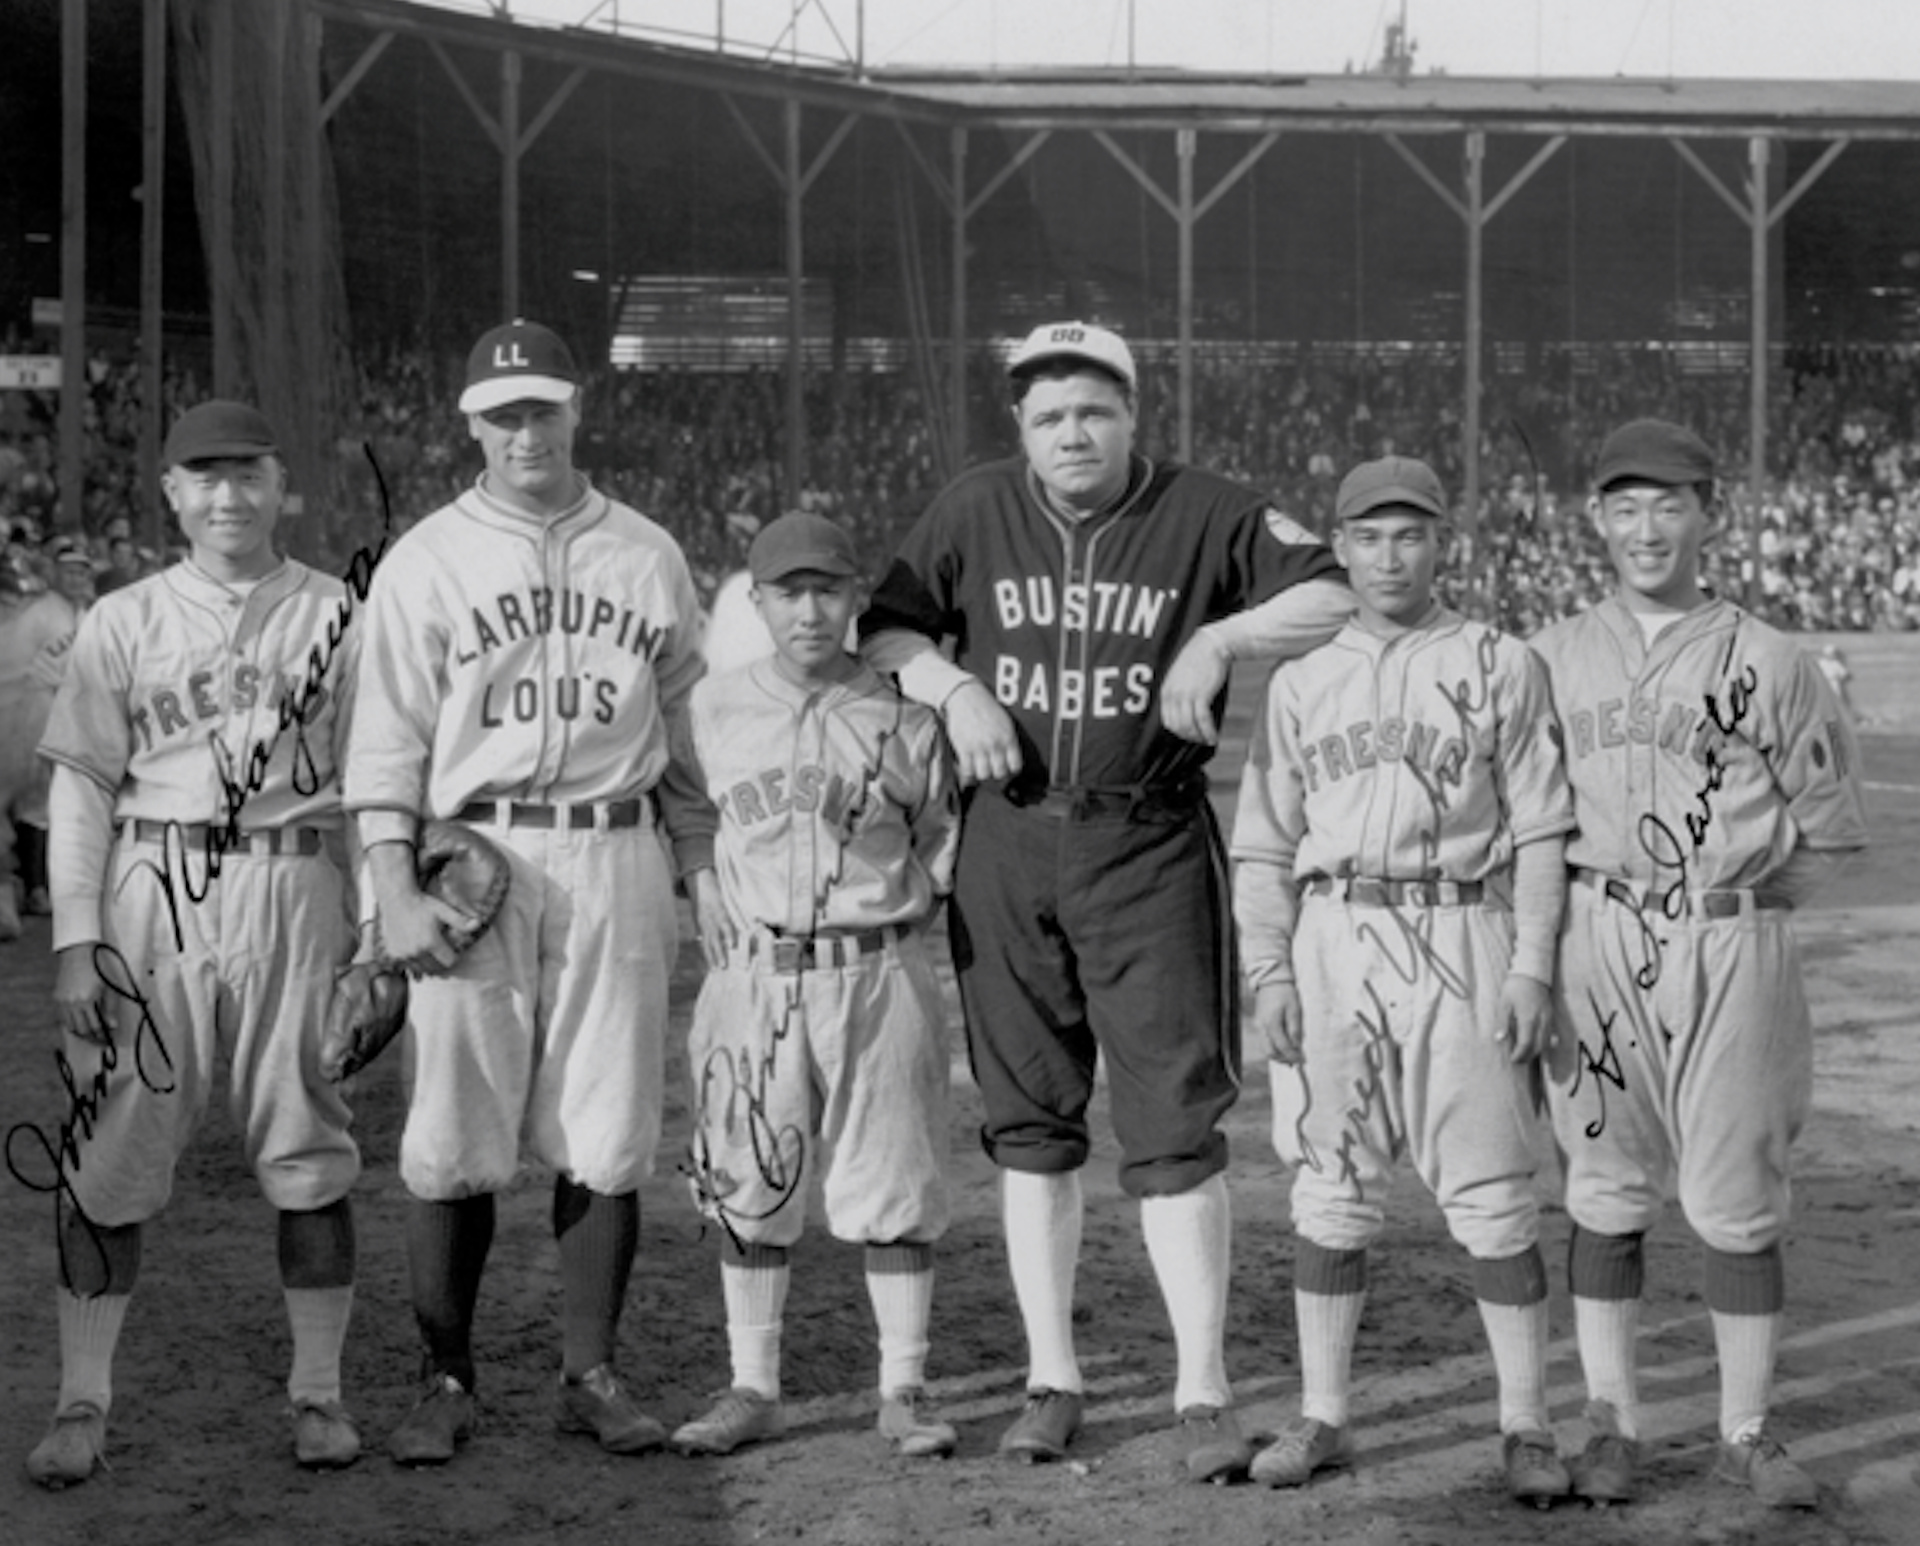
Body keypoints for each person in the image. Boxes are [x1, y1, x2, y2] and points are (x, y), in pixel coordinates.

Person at [859, 320, 1353, 1481]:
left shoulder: (1205, 508)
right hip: (1010, 836)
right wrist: (948, 681)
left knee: (1177, 1123)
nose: (1070, 432)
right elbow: (884, 622)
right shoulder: (976, 505)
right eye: (1046, 415)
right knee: (1030, 1125)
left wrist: (1221, 634)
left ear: (1133, 414)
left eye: (1092, 410)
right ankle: (1053, 1378)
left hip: (1149, 838)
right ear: (1019, 428)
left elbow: (1326, 593)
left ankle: (1200, 1390)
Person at [345, 319, 718, 1467]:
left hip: (616, 851)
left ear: (575, 410)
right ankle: (445, 1376)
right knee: (452, 1129)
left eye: (541, 408)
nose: (524, 431)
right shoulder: (427, 558)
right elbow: (384, 741)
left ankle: (588, 1371)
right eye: (502, 413)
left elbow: (691, 725)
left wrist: (703, 869)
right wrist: (387, 885)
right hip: (471, 858)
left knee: (608, 1125)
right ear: (471, 424)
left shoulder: (646, 551)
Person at [1531, 419, 1869, 1509]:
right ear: (1596, 519)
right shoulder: (1548, 655)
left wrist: (1743, 911)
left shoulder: (1769, 659)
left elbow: (1824, 830)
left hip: (1730, 937)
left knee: (1735, 1193)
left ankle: (1746, 1432)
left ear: (1708, 514)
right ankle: (1611, 1421)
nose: (1646, 528)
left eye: (1668, 504)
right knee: (1604, 1185)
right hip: (1595, 931)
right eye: (1624, 507)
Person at [26, 401, 365, 1486]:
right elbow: (78, 791)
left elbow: (376, 782)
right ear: (171, 494)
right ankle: (83, 1397)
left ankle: (318, 1393)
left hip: (294, 882)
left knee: (309, 1143)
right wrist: (76, 942)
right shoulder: (122, 618)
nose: (229, 496)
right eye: (204, 478)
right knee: (112, 1147)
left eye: (248, 474)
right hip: (149, 886)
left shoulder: (340, 613)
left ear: (282, 485)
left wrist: (374, 938)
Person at [1229, 456, 1575, 1502]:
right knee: (1330, 1190)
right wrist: (1268, 971)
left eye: (1410, 534)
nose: (1389, 555)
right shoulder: (1300, 678)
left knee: (1494, 1194)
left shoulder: (1500, 660)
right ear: (1340, 546)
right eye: (1369, 536)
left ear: (1441, 541)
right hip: (1335, 938)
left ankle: (1525, 1421)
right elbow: (1262, 843)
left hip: (1461, 930)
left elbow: (1547, 829)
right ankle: (1324, 1413)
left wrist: (1530, 967)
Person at [669, 510, 963, 1460]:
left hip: (877, 969)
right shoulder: (710, 709)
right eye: (788, 593)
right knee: (749, 1178)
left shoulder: (904, 714)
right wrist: (702, 879)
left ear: (854, 600)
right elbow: (681, 803)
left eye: (827, 591)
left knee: (896, 1181)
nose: (808, 610)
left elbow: (943, 842)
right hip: (753, 977)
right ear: (756, 602)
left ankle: (905, 1388)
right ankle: (753, 1386)